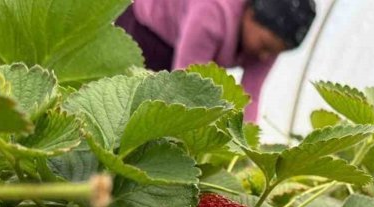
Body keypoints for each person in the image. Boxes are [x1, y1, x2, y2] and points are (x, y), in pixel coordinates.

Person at [117, 0, 317, 122]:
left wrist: (243, 151)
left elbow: (250, 96)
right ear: (251, 14)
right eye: (265, 45)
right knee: (130, 102)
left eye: (275, 52)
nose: (266, 56)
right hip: (148, 30)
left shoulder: (269, 47)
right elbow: (186, 83)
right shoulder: (213, 11)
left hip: (185, 45)